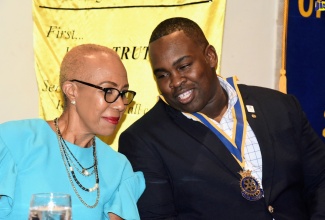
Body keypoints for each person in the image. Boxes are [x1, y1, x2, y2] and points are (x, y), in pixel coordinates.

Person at [118, 17, 325, 219]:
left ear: (210, 57)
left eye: (183, 66)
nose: (175, 82)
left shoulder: (279, 106)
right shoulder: (143, 139)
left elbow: (320, 179)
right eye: (162, 75)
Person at [0, 44, 145, 220]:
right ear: (72, 91)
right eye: (108, 90)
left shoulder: (118, 168)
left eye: (123, 93)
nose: (120, 104)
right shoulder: (14, 141)